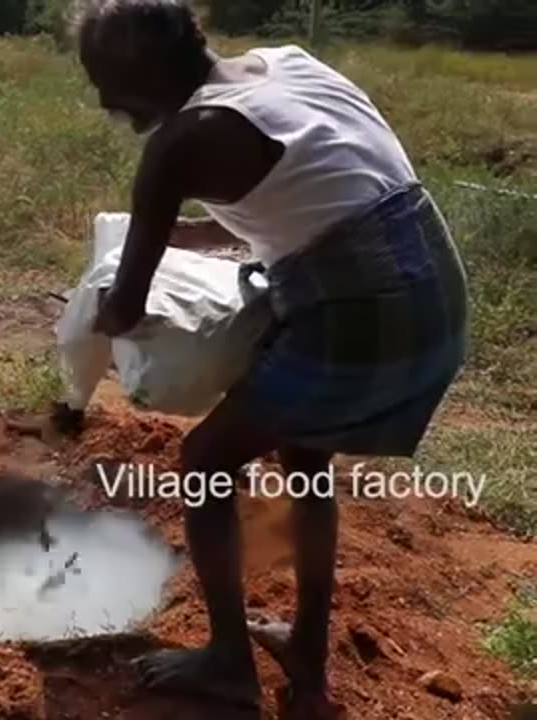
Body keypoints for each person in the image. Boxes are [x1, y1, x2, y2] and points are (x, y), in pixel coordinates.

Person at [59, 0, 470, 717]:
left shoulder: (182, 142)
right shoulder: (290, 67)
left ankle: (227, 664)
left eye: (104, 80)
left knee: (207, 460)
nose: (100, 100)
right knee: (303, 456)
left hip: (359, 314)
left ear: (142, 72)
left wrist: (92, 318)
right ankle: (306, 646)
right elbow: (309, 197)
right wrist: (175, 237)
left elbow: (124, 309)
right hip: (432, 292)